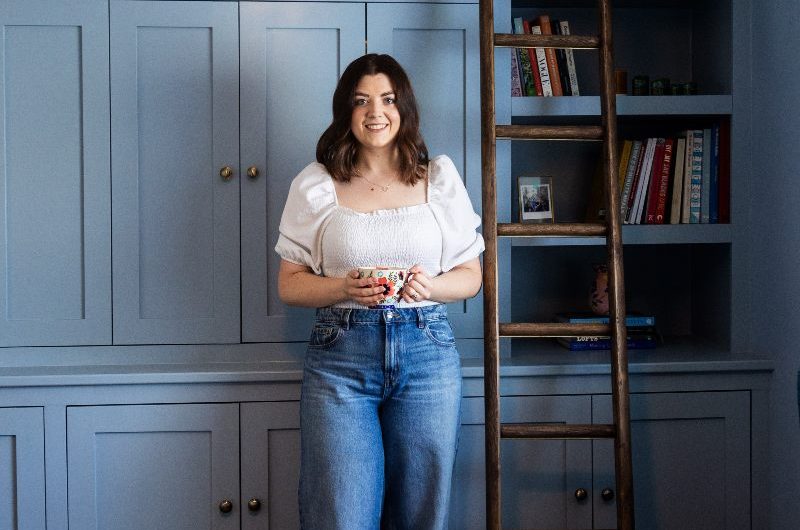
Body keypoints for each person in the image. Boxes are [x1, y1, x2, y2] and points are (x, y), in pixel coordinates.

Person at [275, 53, 484, 530]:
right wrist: (341, 287)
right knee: (341, 514)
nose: (376, 112)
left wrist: (431, 286)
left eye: (387, 99)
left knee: (421, 514)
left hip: (427, 354)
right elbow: (289, 284)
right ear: (346, 111)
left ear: (403, 106)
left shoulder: (439, 178)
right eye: (361, 101)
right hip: (341, 359)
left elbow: (471, 276)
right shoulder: (316, 183)